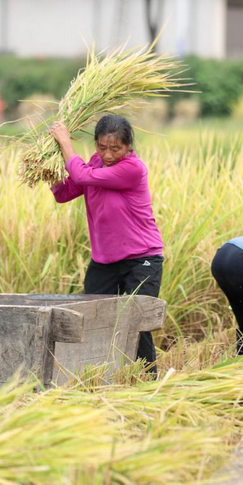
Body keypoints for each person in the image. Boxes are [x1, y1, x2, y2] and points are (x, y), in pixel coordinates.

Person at [49, 115, 164, 375]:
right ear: (96, 145)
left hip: (141, 257)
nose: (109, 155)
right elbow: (65, 192)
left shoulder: (133, 169)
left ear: (128, 147)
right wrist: (47, 169)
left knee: (137, 320)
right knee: (93, 318)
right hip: (105, 260)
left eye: (116, 148)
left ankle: (147, 379)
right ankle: (95, 375)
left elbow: (79, 173)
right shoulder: (94, 164)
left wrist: (65, 141)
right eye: (102, 147)